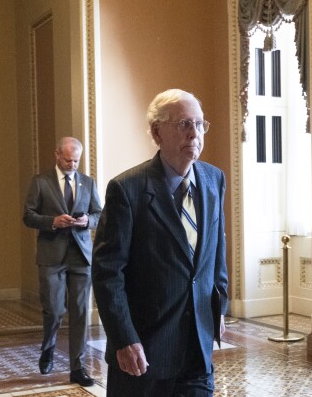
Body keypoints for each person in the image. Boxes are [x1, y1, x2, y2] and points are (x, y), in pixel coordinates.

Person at [92, 88, 229, 396]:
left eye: (199, 124)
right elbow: (107, 274)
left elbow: (216, 250)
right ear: (157, 131)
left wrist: (218, 307)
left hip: (198, 349)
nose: (194, 134)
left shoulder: (213, 179)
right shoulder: (127, 190)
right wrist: (124, 339)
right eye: (183, 124)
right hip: (144, 354)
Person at [23, 136, 102, 387]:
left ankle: (77, 367)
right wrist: (52, 222)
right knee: (55, 310)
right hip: (51, 256)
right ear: (57, 155)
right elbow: (28, 216)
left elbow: (100, 214)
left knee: (80, 312)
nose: (72, 164)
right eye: (68, 159)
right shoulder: (40, 182)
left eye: (76, 160)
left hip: (80, 256)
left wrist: (86, 221)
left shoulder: (88, 183)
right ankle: (48, 347)